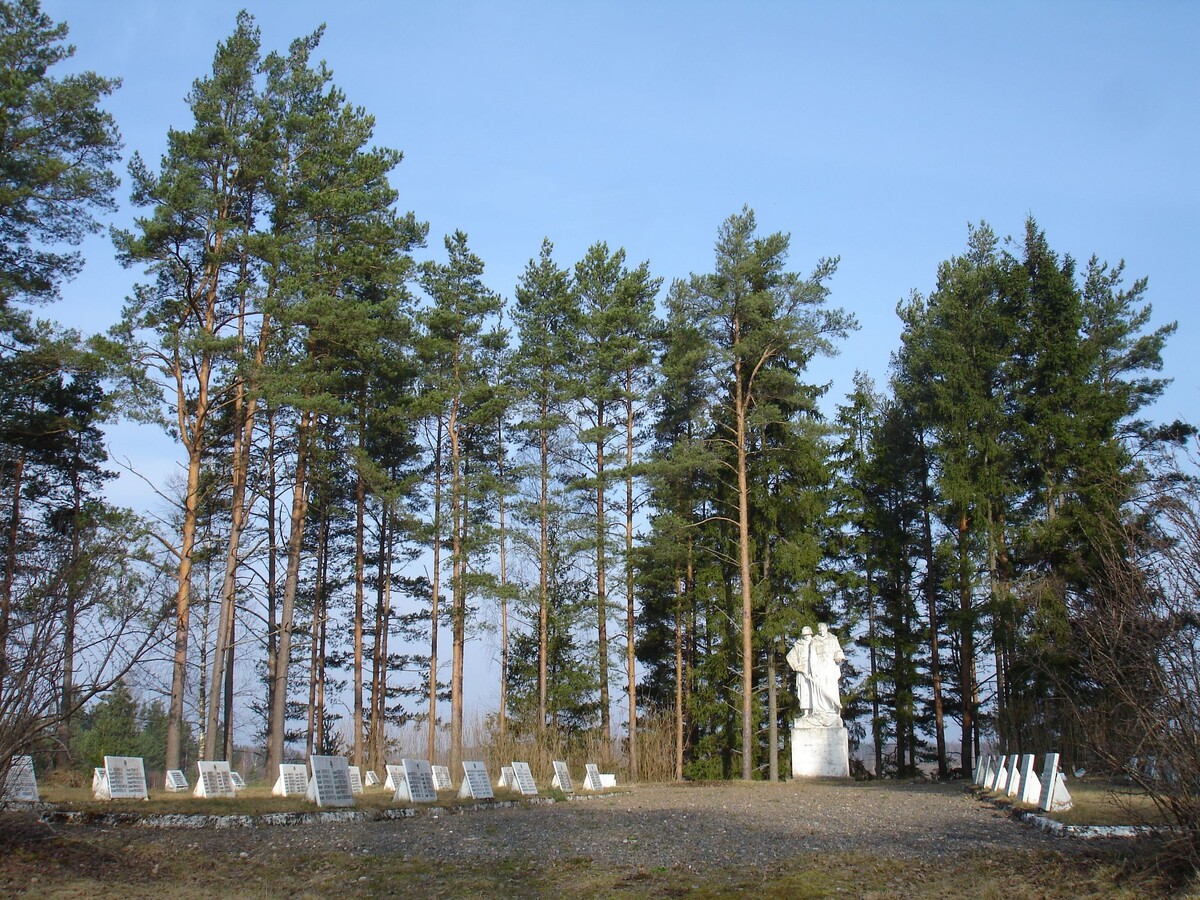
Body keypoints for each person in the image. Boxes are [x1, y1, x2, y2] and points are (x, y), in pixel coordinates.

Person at [809, 623, 846, 715]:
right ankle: (820, 709)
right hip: (819, 666)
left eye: (823, 630)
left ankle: (832, 707)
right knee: (820, 686)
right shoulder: (814, 640)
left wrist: (838, 656)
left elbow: (838, 650)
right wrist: (813, 669)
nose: (821, 632)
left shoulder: (832, 639)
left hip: (830, 664)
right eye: (820, 630)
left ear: (826, 629)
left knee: (830, 685)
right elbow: (812, 656)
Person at [785, 626, 815, 714]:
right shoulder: (798, 645)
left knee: (815, 691)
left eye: (808, 635)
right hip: (803, 670)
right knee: (804, 690)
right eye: (804, 635)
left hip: (814, 670)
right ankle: (806, 712)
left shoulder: (815, 643)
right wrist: (797, 666)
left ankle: (815, 711)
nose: (806, 637)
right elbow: (789, 656)